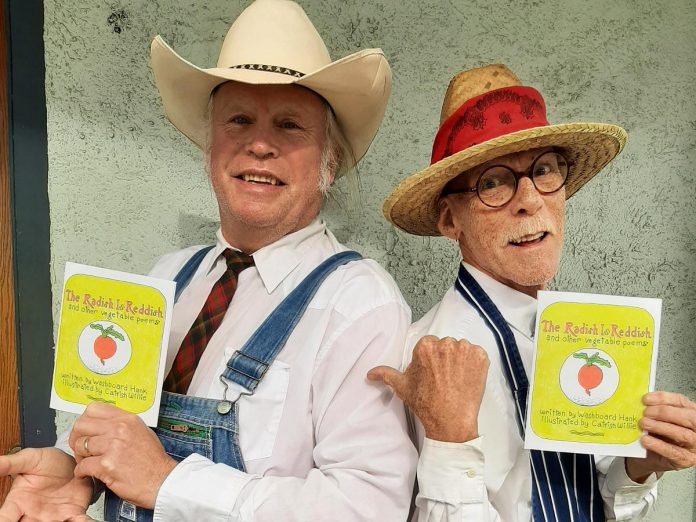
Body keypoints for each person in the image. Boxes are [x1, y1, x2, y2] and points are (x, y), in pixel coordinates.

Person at [0, 1, 417, 521]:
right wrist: (73, 469)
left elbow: (368, 507)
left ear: (328, 160)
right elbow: (117, 424)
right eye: (238, 120)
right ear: (210, 144)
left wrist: (170, 482)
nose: (259, 144)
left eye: (290, 126)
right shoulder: (168, 278)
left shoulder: (359, 303)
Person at [370, 64, 696, 521]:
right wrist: (451, 436)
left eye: (543, 170)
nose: (529, 199)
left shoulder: (587, 337)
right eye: (493, 182)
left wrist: (641, 466)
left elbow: (603, 503)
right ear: (449, 221)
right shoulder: (418, 357)